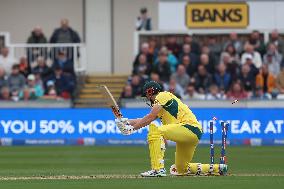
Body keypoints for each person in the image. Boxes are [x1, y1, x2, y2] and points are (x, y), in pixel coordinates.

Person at [115, 81, 227, 177]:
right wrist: (127, 121)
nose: (147, 99)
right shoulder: (161, 106)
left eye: (147, 95)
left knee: (156, 131)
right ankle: (218, 168)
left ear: (151, 92)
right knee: (181, 168)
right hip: (192, 133)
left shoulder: (162, 95)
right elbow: (145, 118)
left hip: (188, 127)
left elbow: (150, 117)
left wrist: (132, 129)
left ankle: (157, 169)